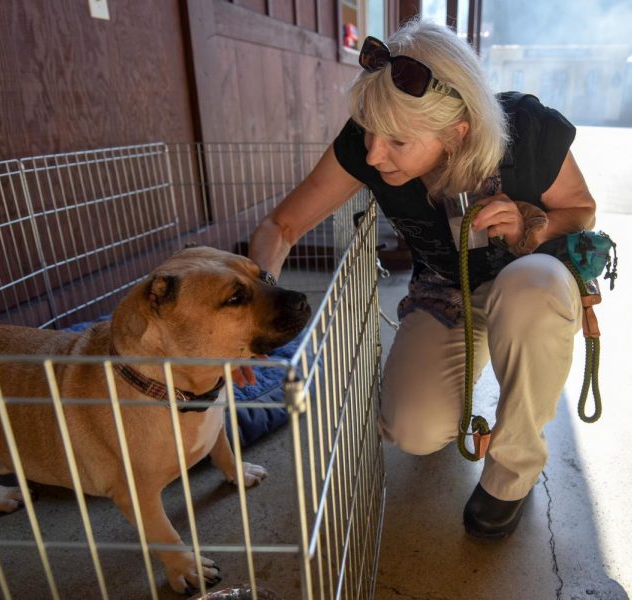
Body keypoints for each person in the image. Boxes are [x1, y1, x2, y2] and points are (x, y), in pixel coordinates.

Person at [247, 18, 596, 539]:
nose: (372, 154)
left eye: (396, 141)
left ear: (459, 132)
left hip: (529, 282)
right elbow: (282, 225)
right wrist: (255, 327)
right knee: (411, 428)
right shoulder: (369, 146)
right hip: (445, 289)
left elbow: (582, 210)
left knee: (531, 289)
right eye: (368, 130)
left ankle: (511, 472)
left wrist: (530, 222)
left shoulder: (528, 129)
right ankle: (470, 358)